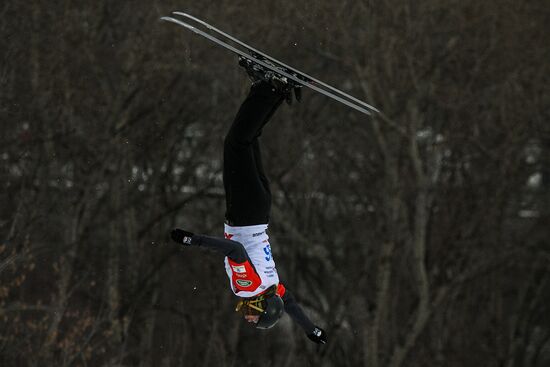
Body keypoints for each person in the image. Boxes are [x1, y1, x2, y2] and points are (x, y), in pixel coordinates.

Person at [170, 57, 327, 344]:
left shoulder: (272, 288)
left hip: (259, 210)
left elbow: (290, 304)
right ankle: (270, 87)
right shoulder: (248, 288)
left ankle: (272, 89)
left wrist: (311, 330)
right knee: (236, 143)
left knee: (249, 139)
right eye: (255, 317)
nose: (247, 317)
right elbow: (233, 249)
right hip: (244, 214)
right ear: (264, 308)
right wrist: (192, 240)